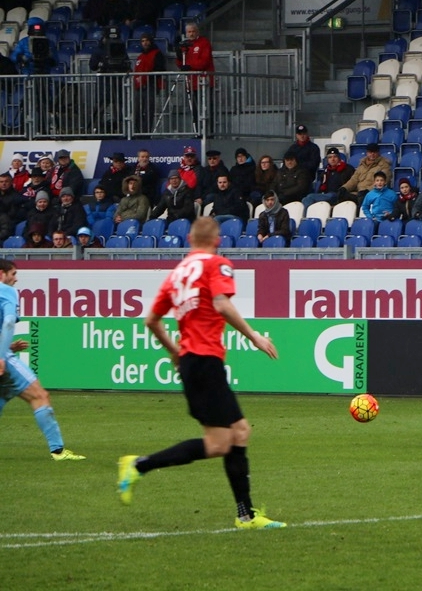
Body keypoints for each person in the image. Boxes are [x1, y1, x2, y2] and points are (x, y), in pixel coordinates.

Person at [118, 217, 285, 530]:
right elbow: (221, 304)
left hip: (194, 361)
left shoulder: (177, 274)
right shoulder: (216, 265)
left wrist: (175, 352)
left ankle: (245, 515)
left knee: (240, 432)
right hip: (205, 361)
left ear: (190, 238)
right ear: (218, 239)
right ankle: (139, 465)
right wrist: (255, 337)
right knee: (219, 443)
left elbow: (152, 321)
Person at [0, 260, 85, 460]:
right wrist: (2, 355)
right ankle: (58, 451)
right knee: (40, 396)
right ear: (1, 274)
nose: (16, 278)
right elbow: (9, 321)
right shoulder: (7, 291)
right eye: (13, 273)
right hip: (3, 359)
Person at [175, 21, 215, 133]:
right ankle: (197, 131)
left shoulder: (204, 43)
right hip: (191, 83)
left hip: (204, 82)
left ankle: (208, 132)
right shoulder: (185, 45)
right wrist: (179, 56)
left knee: (206, 109)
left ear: (197, 32)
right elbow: (181, 64)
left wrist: (190, 66)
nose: (191, 34)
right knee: (195, 110)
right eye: (189, 32)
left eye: (193, 31)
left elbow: (204, 62)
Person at [133, 33, 166, 135]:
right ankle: (137, 133)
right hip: (139, 87)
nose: (145, 43)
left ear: (151, 41)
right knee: (137, 111)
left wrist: (147, 77)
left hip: (150, 86)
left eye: (146, 40)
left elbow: (160, 69)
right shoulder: (140, 56)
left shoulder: (157, 54)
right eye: (142, 41)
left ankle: (146, 133)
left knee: (148, 111)